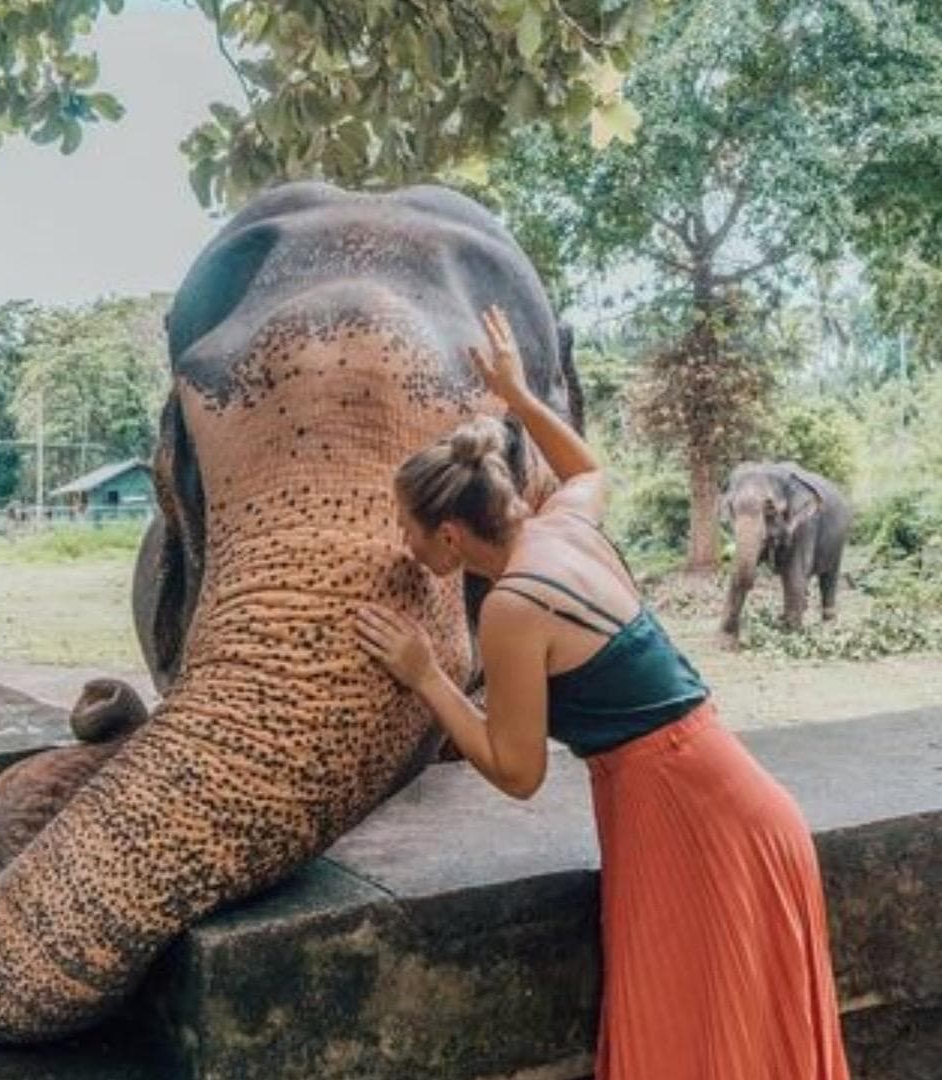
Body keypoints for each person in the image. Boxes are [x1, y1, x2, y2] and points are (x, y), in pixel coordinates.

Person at [355, 306, 850, 1080]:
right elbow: (587, 471)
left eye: (410, 529)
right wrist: (516, 395)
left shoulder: (515, 607)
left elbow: (518, 771)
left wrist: (426, 677)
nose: (404, 546)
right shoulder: (565, 527)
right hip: (733, 803)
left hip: (689, 818)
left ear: (451, 535)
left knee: (698, 1047)